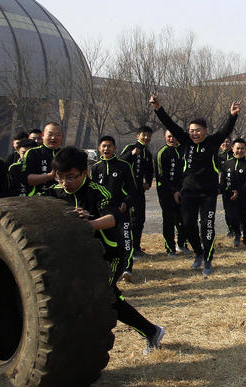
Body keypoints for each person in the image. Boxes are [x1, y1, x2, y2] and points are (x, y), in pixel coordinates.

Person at [44, 147, 164, 354]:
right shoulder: (54, 194)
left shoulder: (99, 192)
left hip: (108, 255)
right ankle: (152, 331)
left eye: (71, 177)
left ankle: (149, 332)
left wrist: (87, 223)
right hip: (77, 257)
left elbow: (111, 219)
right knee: (106, 298)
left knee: (101, 296)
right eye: (60, 178)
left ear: (84, 173)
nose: (65, 183)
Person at [150, 94, 241, 277]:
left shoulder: (212, 142)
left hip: (208, 193)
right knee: (188, 224)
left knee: (207, 226)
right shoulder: (185, 142)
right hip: (188, 192)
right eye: (192, 130)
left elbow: (225, 130)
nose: (194, 133)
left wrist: (232, 115)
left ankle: (208, 259)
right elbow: (170, 125)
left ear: (205, 131)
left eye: (198, 130)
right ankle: (198, 253)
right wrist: (158, 108)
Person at [92, 136, 137, 282]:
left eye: (109, 146)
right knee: (106, 242)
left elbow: (132, 189)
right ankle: (109, 269)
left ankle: (127, 269)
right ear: (99, 148)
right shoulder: (95, 168)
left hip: (120, 210)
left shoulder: (124, 166)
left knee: (125, 239)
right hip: (102, 212)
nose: (106, 149)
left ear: (115, 148)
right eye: (104, 146)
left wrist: (127, 202)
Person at [120, 126, 155, 256]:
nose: (146, 138)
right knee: (128, 219)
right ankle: (127, 248)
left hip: (140, 191)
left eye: (148, 135)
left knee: (140, 219)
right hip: (127, 191)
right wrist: (131, 154)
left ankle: (136, 247)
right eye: (143, 135)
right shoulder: (130, 148)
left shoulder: (148, 153)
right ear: (138, 135)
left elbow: (150, 171)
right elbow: (120, 161)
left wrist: (149, 182)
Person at [155, 130, 186, 254]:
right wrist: (173, 191)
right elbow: (161, 176)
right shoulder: (161, 153)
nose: (172, 139)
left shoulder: (183, 150)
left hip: (183, 191)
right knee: (169, 220)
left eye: (174, 136)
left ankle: (182, 244)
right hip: (166, 192)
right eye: (169, 136)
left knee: (184, 218)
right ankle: (170, 248)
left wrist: (181, 190)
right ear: (165, 137)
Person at [221, 138, 246, 247]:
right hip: (230, 197)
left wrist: (238, 192)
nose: (239, 151)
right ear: (232, 149)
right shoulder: (226, 164)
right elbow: (223, 182)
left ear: (245, 150)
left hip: (245, 196)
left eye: (242, 149)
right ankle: (237, 233)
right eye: (237, 148)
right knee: (232, 217)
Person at [23, 121, 65, 195]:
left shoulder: (66, 154)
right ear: (42, 135)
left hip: (62, 198)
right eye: (50, 134)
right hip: (37, 197)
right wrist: (51, 175)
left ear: (62, 137)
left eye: (58, 135)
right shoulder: (33, 153)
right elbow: (28, 179)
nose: (53, 138)